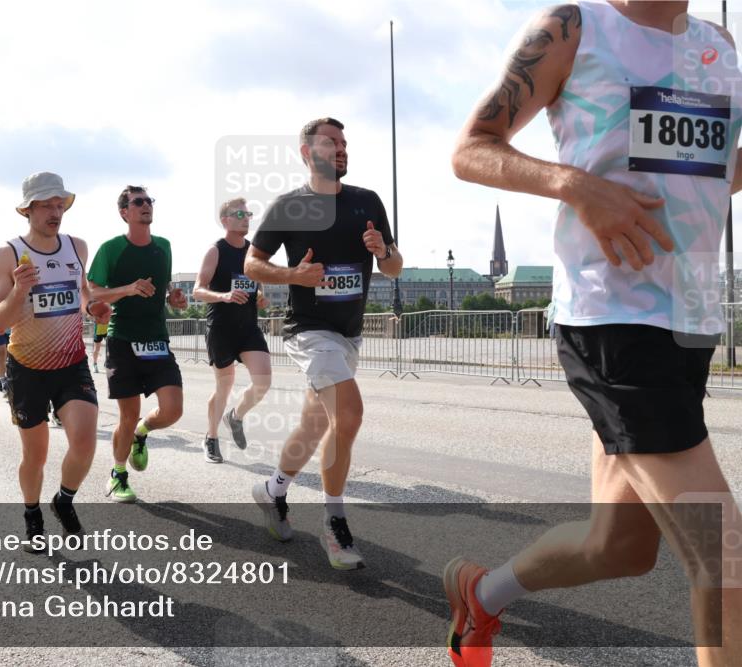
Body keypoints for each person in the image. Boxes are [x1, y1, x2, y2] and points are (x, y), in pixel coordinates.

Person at [445, 3, 742, 666]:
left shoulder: (718, 43)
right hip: (615, 318)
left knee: (618, 547)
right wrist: (576, 185)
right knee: (725, 557)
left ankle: (481, 593)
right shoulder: (574, 27)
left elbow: (717, 168)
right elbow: (470, 149)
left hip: (692, 321)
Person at [245, 117, 402, 569]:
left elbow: (394, 268)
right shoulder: (289, 206)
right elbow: (253, 264)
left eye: (344, 142)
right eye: (331, 142)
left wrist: (383, 251)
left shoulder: (367, 201)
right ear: (306, 152)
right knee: (348, 415)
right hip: (309, 330)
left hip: (348, 333)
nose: (341, 148)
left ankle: (272, 490)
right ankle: (335, 524)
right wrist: (293, 275)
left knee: (315, 425)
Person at [0, 171, 108, 550]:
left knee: (85, 440)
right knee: (35, 455)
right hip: (27, 368)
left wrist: (94, 308)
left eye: (60, 204)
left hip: (71, 363)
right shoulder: (8, 254)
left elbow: (83, 292)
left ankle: (64, 500)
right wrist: (20, 290)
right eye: (46, 206)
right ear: (28, 209)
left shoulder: (77, 246)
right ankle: (32, 516)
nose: (56, 212)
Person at [87, 185, 187, 503]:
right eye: (138, 201)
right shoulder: (111, 249)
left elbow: (165, 289)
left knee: (173, 410)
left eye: (149, 201)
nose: (146, 205)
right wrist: (128, 289)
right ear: (124, 212)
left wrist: (174, 298)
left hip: (156, 339)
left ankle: (142, 433)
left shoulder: (164, 246)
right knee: (127, 417)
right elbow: (92, 291)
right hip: (123, 339)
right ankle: (118, 475)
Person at [192, 197, 272, 463]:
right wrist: (224, 296)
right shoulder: (216, 250)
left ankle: (235, 417)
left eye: (248, 214)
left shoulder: (253, 252)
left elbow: (258, 283)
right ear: (224, 220)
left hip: (248, 327)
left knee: (263, 381)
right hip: (221, 328)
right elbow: (198, 290)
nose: (246, 218)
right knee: (224, 387)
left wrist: (260, 295)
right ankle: (211, 437)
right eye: (239, 214)